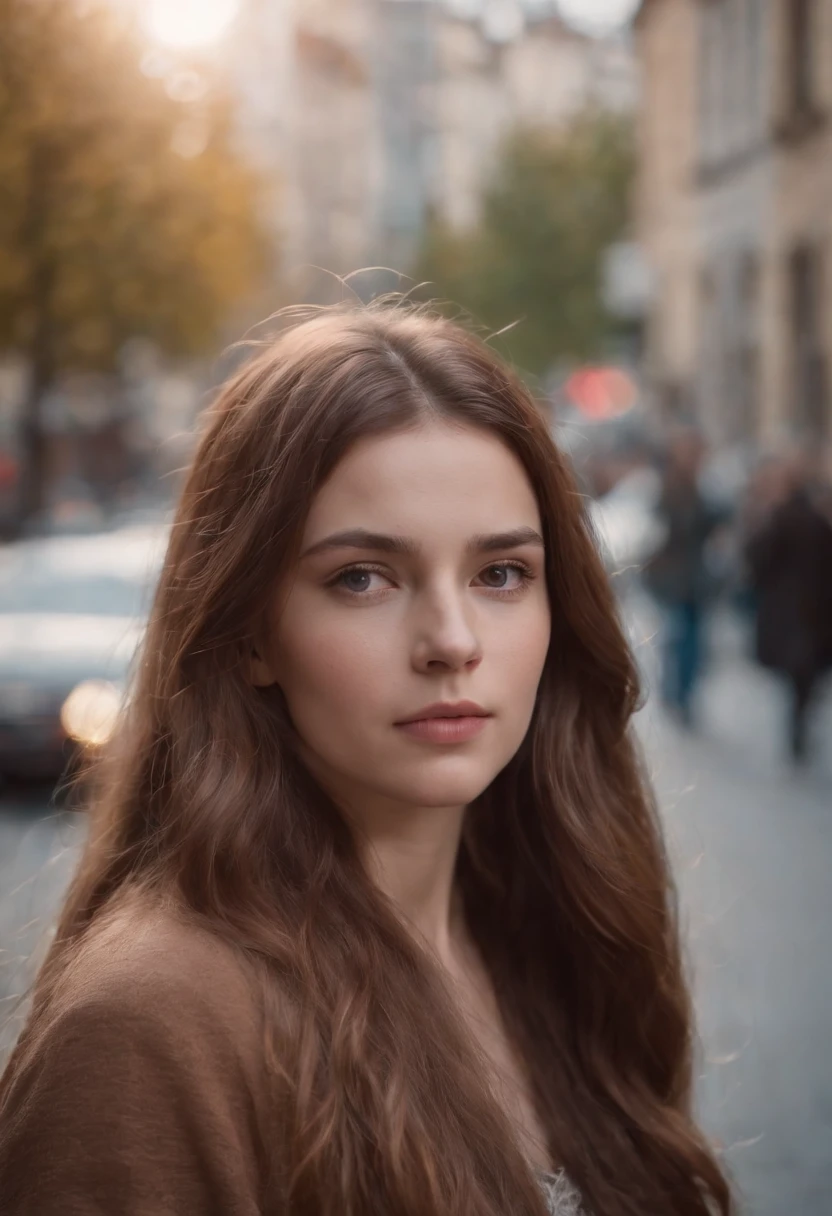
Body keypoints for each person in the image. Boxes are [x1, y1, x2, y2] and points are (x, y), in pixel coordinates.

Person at [0, 305, 732, 1216]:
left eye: (500, 573)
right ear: (249, 635)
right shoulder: (153, 1031)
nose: (452, 642)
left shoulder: (554, 932)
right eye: (363, 577)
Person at [744, 452, 832, 763]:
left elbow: (756, 562)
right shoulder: (815, 517)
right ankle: (799, 724)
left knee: (800, 671)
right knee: (803, 673)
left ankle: (798, 727)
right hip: (812, 608)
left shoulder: (780, 518)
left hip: (792, 609)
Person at [642, 426, 723, 727]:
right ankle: (674, 694)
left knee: (694, 642)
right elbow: (669, 527)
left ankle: (684, 695)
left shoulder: (703, 486)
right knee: (678, 638)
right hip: (673, 579)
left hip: (695, 579)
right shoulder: (670, 486)